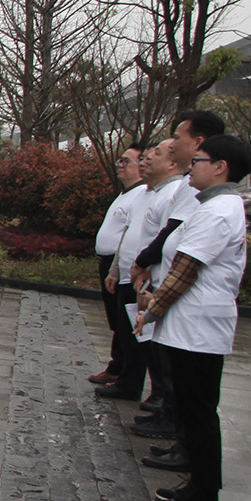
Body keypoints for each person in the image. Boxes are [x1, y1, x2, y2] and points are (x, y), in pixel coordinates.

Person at [135, 135, 251, 501]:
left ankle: (204, 494)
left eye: (199, 160)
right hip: (192, 325)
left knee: (198, 410)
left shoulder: (217, 212)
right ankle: (198, 485)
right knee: (192, 407)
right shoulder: (215, 206)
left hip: (198, 327)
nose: (191, 167)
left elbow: (185, 271)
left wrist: (150, 311)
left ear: (220, 167)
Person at [97, 139, 185, 402]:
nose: (146, 161)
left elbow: (165, 238)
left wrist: (144, 265)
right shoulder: (145, 194)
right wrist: (116, 268)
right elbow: (128, 233)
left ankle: (158, 395)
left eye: (154, 155)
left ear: (172, 162)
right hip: (128, 274)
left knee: (147, 338)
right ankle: (128, 382)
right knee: (127, 334)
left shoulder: (172, 194)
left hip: (147, 278)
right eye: (143, 157)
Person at [88, 144, 144, 386]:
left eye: (126, 161)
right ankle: (117, 365)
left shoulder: (141, 195)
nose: (120, 165)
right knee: (116, 319)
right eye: (119, 160)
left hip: (123, 265)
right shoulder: (126, 194)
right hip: (111, 264)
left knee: (124, 321)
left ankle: (122, 370)